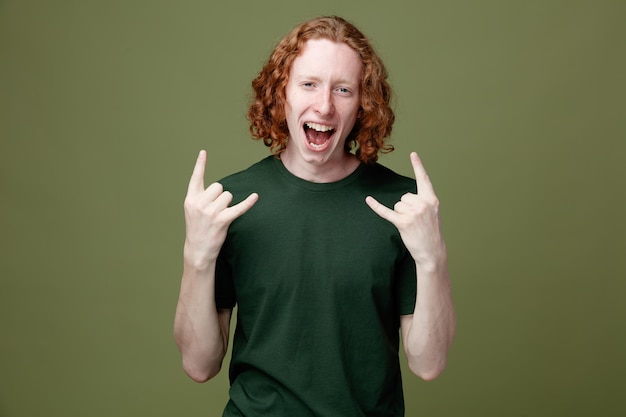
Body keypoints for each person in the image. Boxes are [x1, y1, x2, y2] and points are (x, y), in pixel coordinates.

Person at [174, 15, 456, 416]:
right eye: (309, 84)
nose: (324, 105)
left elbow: (428, 364)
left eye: (343, 89)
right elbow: (198, 365)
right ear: (281, 93)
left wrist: (433, 258)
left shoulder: (405, 207)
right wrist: (195, 256)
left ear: (362, 104)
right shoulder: (228, 204)